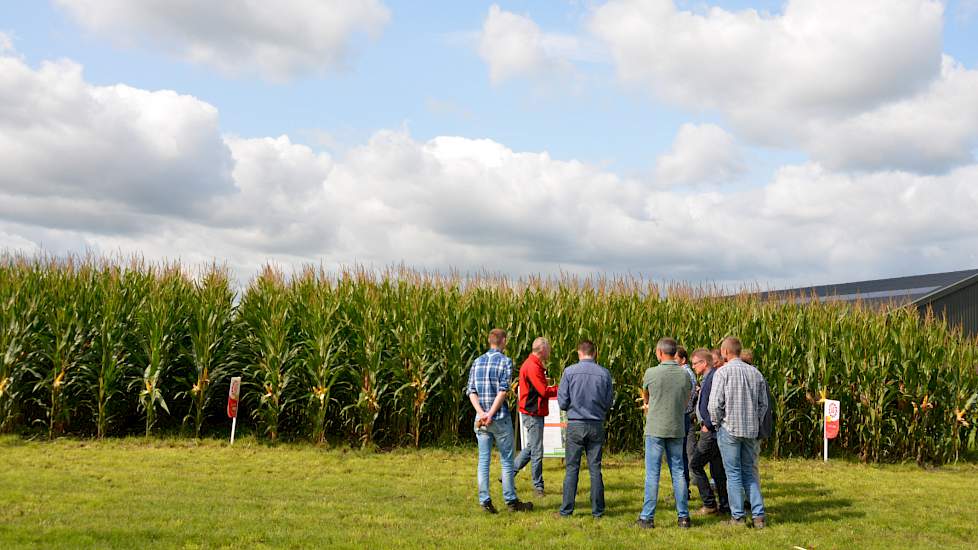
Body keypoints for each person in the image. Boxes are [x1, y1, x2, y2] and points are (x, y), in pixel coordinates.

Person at [465, 328, 533, 514]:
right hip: (500, 419)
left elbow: (471, 391)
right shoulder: (505, 361)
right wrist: (491, 413)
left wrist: (482, 413)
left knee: (484, 460)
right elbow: (503, 390)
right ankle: (511, 500)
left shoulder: (477, 362)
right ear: (503, 341)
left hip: (481, 421)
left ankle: (484, 499)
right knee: (506, 460)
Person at [708, 337, 769, 529]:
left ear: (725, 352)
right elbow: (763, 405)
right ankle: (758, 516)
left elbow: (714, 404)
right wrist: (756, 423)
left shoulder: (722, 373)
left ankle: (738, 517)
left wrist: (718, 424)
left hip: (730, 429)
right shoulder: (755, 373)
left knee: (733, 474)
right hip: (750, 431)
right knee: (749, 472)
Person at [636, 338, 692, 529]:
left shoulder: (651, 372)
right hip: (676, 427)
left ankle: (647, 517)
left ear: (660, 352)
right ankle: (683, 517)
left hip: (655, 428)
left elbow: (646, 397)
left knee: (653, 473)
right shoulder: (684, 375)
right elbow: (686, 401)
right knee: (678, 472)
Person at [557, 340, 613, 518]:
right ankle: (598, 511)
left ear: (579, 353)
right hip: (596, 423)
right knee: (595, 468)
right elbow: (608, 402)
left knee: (572, 468)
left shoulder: (569, 372)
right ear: (595, 353)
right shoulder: (604, 373)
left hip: (575, 423)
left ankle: (566, 510)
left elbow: (562, 401)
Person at [514, 337, 559, 497]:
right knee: (537, 450)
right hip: (533, 413)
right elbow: (543, 391)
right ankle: (538, 487)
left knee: (531, 447)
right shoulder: (533, 366)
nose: (550, 351)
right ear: (542, 349)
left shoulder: (533, 364)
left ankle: (508, 474)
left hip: (532, 412)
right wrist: (560, 389)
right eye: (549, 349)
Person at [688, 348, 730, 516]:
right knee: (717, 470)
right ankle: (725, 505)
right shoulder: (708, 378)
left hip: (710, 431)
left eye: (695, 364)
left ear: (704, 363)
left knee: (696, 465)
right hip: (712, 429)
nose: (693, 367)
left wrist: (708, 424)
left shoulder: (713, 378)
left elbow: (715, 404)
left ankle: (709, 503)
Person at [676, 346, 698, 499]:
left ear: (683, 359)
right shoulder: (688, 372)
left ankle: (684, 491)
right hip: (687, 415)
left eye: (675, 358)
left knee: (681, 455)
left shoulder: (684, 373)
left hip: (684, 416)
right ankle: (684, 490)